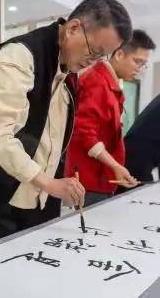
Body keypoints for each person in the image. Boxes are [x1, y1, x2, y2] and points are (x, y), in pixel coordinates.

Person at [0, 0, 131, 250]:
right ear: (73, 28)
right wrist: (48, 182)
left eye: (102, 56)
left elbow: (53, 136)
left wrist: (57, 183)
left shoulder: (69, 70)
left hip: (42, 196)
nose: (93, 61)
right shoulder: (20, 55)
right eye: (93, 51)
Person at [65, 29, 153, 206]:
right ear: (119, 54)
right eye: (137, 62)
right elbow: (84, 133)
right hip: (88, 179)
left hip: (100, 178)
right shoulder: (97, 82)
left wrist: (115, 168)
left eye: (143, 64)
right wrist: (115, 166)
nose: (139, 69)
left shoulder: (109, 83)